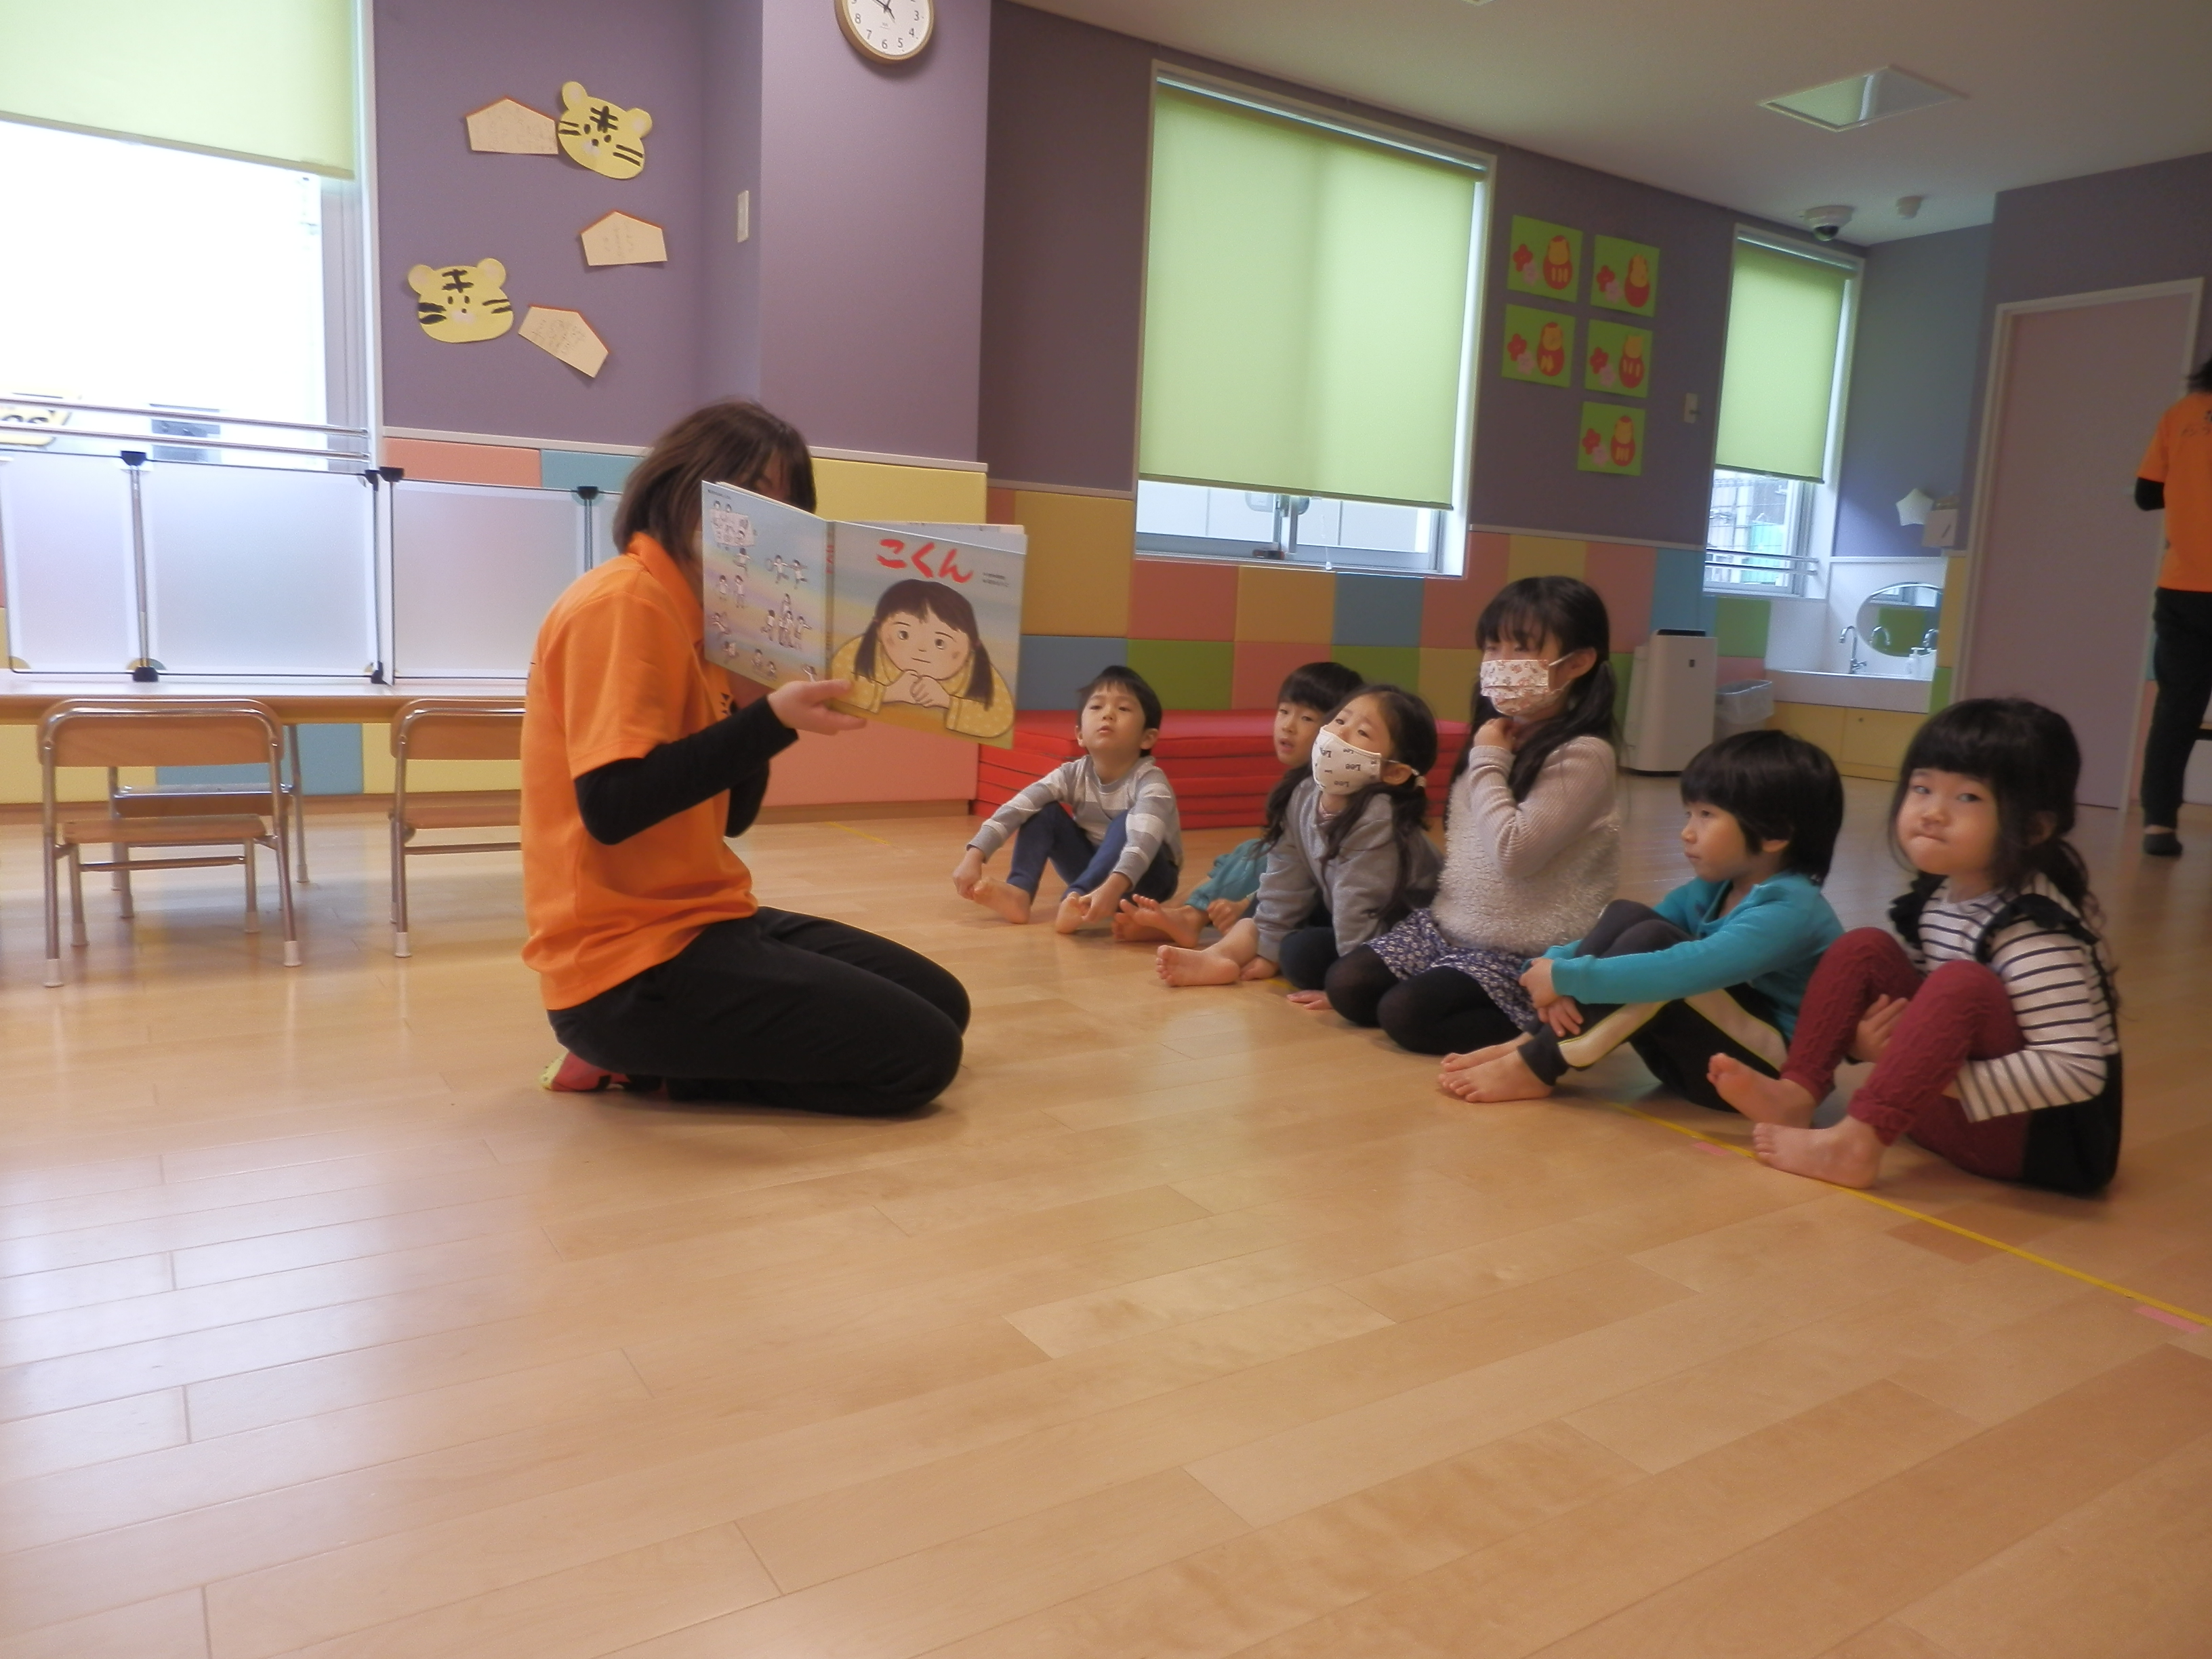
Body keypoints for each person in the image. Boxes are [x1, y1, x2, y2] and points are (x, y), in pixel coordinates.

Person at [523, 401, 970, 1115]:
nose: (765, 520)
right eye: (749, 492)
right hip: (622, 968)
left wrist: (761, 703)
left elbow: (734, 816)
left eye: (785, 507)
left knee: (944, 1003)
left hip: (701, 917)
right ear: (682, 485)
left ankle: (661, 1049)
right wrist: (767, 720)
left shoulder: (709, 623)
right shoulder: (625, 603)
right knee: (921, 1060)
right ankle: (635, 1064)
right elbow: (611, 808)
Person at [1713, 699, 2122, 1194]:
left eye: (1968, 797)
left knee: (1961, 984)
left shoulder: (2034, 931)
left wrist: (1926, 1075)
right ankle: (1796, 1095)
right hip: (1949, 1120)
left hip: (2036, 1146)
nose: (1932, 812)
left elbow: (2078, 1070)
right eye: (1922, 788)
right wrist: (1868, 1045)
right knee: (1864, 947)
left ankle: (1856, 1145)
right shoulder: (1939, 898)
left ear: (2034, 827)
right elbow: (1925, 1019)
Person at [1439, 730, 1845, 1105]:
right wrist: (1552, 964)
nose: (1688, 832)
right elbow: (1634, 927)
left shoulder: (1790, 910)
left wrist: (1566, 978)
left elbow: (1688, 968)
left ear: (1774, 834)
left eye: (1707, 815)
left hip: (1765, 1080)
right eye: (1690, 814)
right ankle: (1532, 1041)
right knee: (1630, 915)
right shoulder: (1718, 887)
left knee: (1660, 950)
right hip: (1701, 1058)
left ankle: (1537, 1065)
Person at [1322, 576, 1620, 1052]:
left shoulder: (1584, 755)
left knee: (1405, 1016)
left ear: (1578, 662)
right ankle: (1450, 982)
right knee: (1347, 986)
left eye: (1521, 648)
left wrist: (1488, 759)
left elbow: (1514, 854)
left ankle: (1555, 1021)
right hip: (1454, 927)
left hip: (1526, 948)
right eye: (1493, 647)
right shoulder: (1499, 734)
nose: (1499, 663)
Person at [1154, 684, 1441, 991]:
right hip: (1344, 911)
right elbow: (1286, 881)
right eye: (1340, 720)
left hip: (1401, 935)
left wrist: (1352, 987)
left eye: (1363, 733)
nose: (1340, 734)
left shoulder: (1379, 818)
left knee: (1300, 955)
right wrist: (1268, 952)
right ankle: (1220, 955)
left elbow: (1360, 907)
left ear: (1394, 773)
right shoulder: (1305, 794)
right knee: (1270, 902)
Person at [1113, 659, 1366, 947]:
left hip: (1314, 902)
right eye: (1284, 711)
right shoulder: (1301, 785)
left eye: (1307, 718)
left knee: (1258, 856)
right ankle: (1180, 911)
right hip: (1289, 889)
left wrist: (1246, 904)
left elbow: (1302, 873)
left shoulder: (1331, 794)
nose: (1288, 726)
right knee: (1246, 852)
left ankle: (1191, 917)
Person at [953, 665, 1181, 933]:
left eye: (1123, 708)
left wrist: (1112, 886)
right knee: (1041, 811)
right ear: (1080, 734)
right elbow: (1019, 806)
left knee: (1127, 821)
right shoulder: (1072, 774)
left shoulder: (1151, 783)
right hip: (1091, 869)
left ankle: (1077, 899)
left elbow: (1144, 841)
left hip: (1147, 879)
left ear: (1147, 737)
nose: (1108, 713)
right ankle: (1020, 893)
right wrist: (975, 854)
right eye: (1096, 707)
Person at [2134, 354, 2212, 857]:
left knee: (2176, 712)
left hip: (2183, 588)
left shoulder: (2181, 414)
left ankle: (2159, 825)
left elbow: (2146, 495)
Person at [826, 577, 1015, 741]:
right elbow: (835, 685)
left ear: (972, 646)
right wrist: (888, 693)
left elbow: (1000, 719)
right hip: (867, 736)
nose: (921, 648)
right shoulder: (866, 648)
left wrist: (947, 701)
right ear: (879, 629)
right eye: (904, 634)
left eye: (940, 642)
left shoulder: (976, 667)